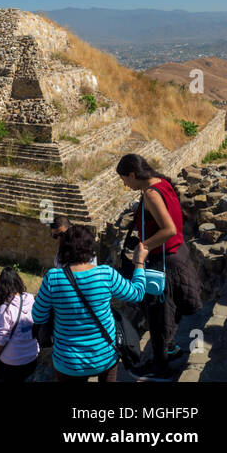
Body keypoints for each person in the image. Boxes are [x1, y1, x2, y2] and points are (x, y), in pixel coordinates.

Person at [117, 153, 202, 381]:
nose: (125, 184)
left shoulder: (151, 194)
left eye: (125, 179)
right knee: (168, 311)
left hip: (163, 259)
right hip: (177, 253)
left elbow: (169, 229)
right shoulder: (162, 183)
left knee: (158, 315)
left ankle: (161, 367)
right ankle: (170, 349)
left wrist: (143, 247)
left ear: (133, 174)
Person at [31, 225, 147, 382]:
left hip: (69, 361)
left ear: (64, 249)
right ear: (90, 248)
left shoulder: (53, 278)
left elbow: (37, 316)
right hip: (105, 355)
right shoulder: (105, 274)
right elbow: (137, 293)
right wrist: (139, 263)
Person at [0, 267, 39, 382]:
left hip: (12, 362)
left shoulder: (5, 310)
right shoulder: (31, 299)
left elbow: (1, 341)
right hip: (32, 356)